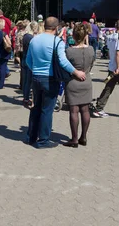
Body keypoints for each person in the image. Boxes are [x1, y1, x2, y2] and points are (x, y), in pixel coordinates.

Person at [25, 17, 86, 148]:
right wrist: (76, 72)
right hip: (50, 79)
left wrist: (36, 70)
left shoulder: (34, 40)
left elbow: (28, 61)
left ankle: (31, 137)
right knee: (47, 110)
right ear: (56, 27)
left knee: (36, 108)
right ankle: (43, 141)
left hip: (36, 77)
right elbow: (63, 62)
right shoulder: (57, 41)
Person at [63, 23, 95, 147]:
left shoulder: (69, 51)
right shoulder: (91, 49)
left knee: (74, 111)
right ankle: (84, 137)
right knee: (85, 110)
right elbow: (92, 63)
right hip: (86, 81)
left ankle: (74, 139)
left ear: (74, 36)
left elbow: (65, 66)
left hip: (73, 82)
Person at [21, 21, 38, 107]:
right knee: (30, 81)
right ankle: (28, 98)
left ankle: (25, 97)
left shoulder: (25, 36)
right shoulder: (32, 38)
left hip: (24, 58)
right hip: (30, 59)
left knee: (26, 80)